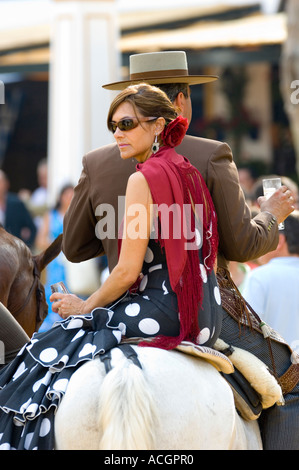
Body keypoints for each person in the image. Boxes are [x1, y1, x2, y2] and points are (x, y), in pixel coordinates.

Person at [62, 51, 298, 450]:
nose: (117, 132)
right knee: (291, 380)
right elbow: (243, 245)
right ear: (181, 101)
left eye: (122, 122)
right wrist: (271, 215)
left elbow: (74, 247)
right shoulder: (205, 156)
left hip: (129, 302)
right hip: (204, 306)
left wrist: (91, 297)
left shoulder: (97, 161)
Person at [0, 84, 222, 450]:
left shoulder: (142, 179)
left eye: (126, 124)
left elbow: (126, 272)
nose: (117, 133)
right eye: (112, 125)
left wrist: (85, 307)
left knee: (37, 363)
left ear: (158, 126)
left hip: (163, 313)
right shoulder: (188, 171)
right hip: (204, 315)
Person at [242, 211, 299, 347]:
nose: (259, 242)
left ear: (279, 241)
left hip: (273, 366)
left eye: (264, 235)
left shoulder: (260, 276)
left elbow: (246, 332)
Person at [35, 183, 74, 332]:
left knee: (74, 287)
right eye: (67, 195)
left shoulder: (77, 216)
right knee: (56, 289)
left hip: (73, 261)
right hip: (57, 261)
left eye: (73, 196)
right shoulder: (51, 215)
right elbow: (40, 239)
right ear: (61, 197)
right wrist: (59, 246)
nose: (70, 199)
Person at [0, 170, 36, 248]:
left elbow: (32, 229)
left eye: (0, 182)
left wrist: (25, 248)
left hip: (14, 251)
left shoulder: (17, 204)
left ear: (6, 183)